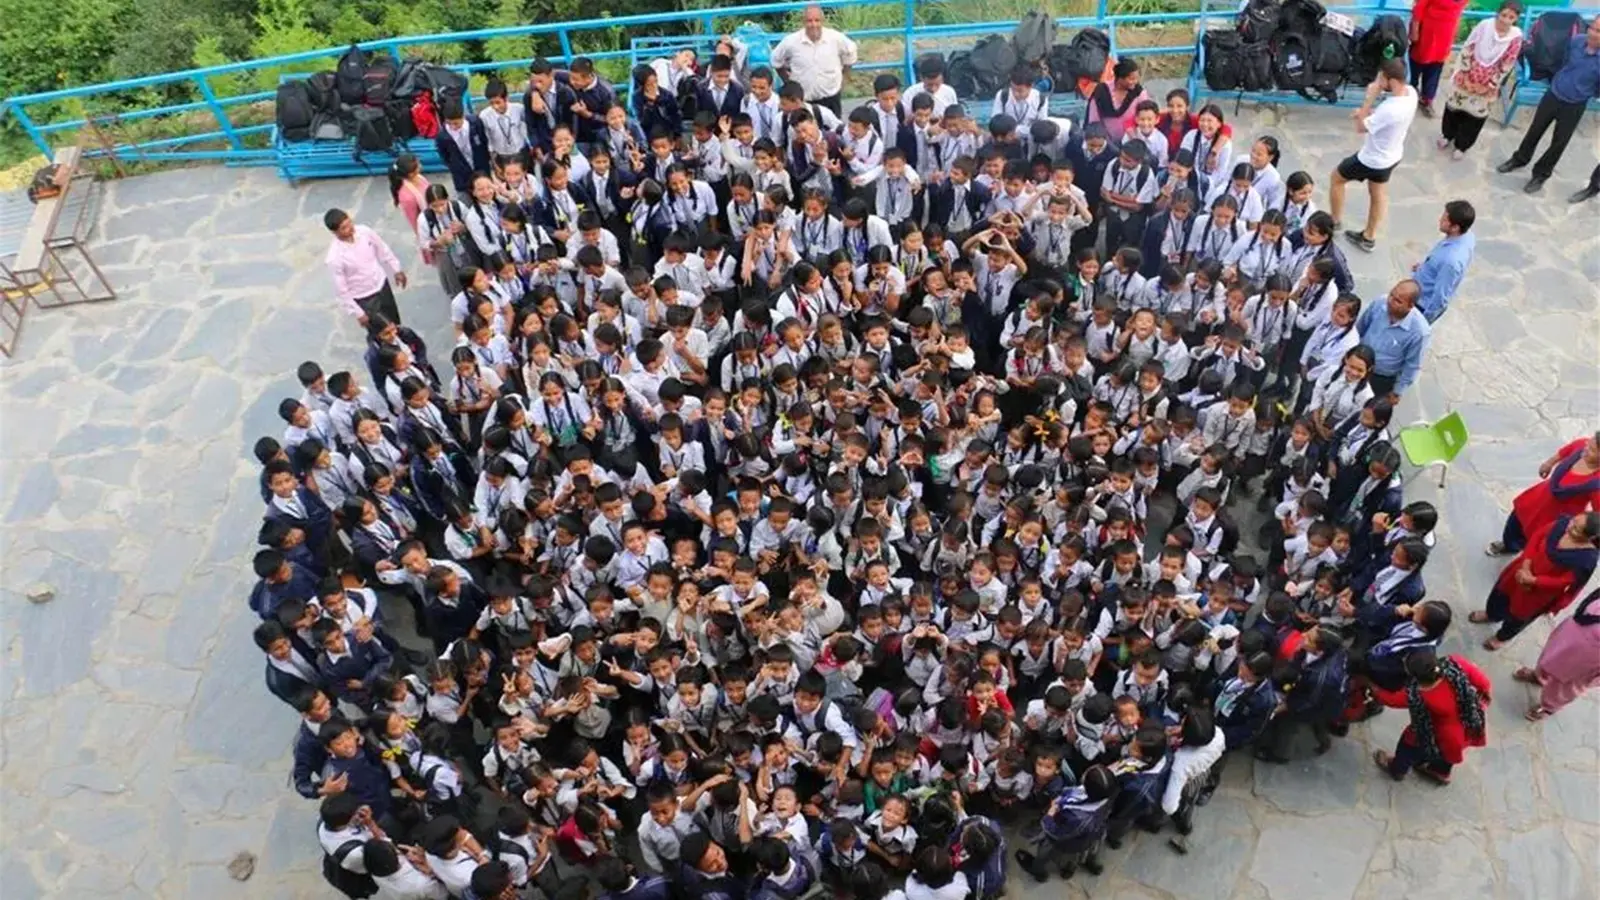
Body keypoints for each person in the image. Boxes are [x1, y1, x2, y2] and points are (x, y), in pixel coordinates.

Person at [1497, 16, 1600, 194]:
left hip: (1575, 104)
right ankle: (1520, 158)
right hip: (1554, 93)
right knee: (1535, 129)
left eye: (1598, 31)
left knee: (1559, 142)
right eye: (1592, 27)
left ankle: (1541, 174)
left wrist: (1584, 92)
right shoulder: (1576, 41)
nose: (1592, 33)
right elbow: (1563, 61)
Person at [1472, 512, 1600, 651]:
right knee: (1500, 594)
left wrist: (1533, 580)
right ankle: (1491, 614)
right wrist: (1526, 565)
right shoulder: (1562, 523)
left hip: (1538, 593)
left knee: (1518, 617)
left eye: (1576, 529)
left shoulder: (1587, 559)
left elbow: (1565, 581)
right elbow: (1537, 537)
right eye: (1573, 522)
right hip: (1521, 569)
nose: (1570, 528)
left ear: (1590, 537)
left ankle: (1501, 638)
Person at [1329, 59, 1418, 252]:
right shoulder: (1411, 94)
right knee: (1378, 193)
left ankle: (1334, 222)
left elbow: (1361, 128)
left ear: (1391, 80)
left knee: (1336, 178)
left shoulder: (1390, 108)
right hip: (1392, 156)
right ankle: (1369, 237)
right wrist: (1367, 114)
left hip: (1371, 159)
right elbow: (1381, 119)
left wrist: (1368, 100)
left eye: (1381, 78)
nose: (1378, 81)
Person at [1370, 649, 1490, 785]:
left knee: (1408, 747)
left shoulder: (1417, 696)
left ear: (1415, 677)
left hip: (1437, 733)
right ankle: (1440, 773)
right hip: (1467, 724)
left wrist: (1371, 687)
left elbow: (1390, 699)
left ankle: (1397, 769)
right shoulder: (1456, 663)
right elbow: (1484, 684)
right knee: (1448, 755)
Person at [1486, 433, 1600, 556]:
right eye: (1589, 444)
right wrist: (1549, 463)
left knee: (1536, 538)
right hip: (1538, 497)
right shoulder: (1581, 445)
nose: (1586, 448)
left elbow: (1597, 518)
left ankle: (1523, 553)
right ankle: (1509, 545)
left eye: (1592, 450)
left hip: (1555, 515)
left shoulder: (1597, 484)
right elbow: (1562, 453)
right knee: (1515, 521)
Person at [1437, 1, 1523, 160]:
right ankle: (1448, 135)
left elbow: (1507, 63)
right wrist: (1466, 76)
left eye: (1511, 17)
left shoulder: (1515, 37)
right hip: (1467, 75)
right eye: (1504, 15)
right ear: (1498, 13)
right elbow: (1468, 47)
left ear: (1515, 19)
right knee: (1454, 107)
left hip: (1488, 84)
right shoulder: (1485, 26)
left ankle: (1462, 145)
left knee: (1475, 117)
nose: (1505, 20)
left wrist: (1488, 85)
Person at [1519, 588, 1600, 720]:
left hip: (1588, 662)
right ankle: (1539, 677)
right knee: (1549, 656)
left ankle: (1548, 707)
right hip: (1572, 633)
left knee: (1564, 686)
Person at [771, 4, 859, 115]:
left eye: (817, 20)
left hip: (831, 98)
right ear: (803, 22)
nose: (813, 25)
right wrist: (788, 82)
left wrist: (843, 79)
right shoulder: (791, 41)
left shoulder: (836, 38)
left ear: (822, 21)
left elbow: (851, 53)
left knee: (833, 131)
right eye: (809, 21)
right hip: (803, 101)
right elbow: (776, 60)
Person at [325, 208, 408, 327]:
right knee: (382, 330)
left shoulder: (364, 232)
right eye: (344, 228)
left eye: (350, 223)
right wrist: (358, 313)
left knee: (394, 322)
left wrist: (396, 269)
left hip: (381, 284)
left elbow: (383, 249)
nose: (351, 228)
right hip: (364, 297)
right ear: (335, 232)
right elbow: (341, 290)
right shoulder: (335, 258)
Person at [1354, 279, 1429, 400]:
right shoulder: (1380, 303)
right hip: (1358, 361)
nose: (1390, 301)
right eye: (1391, 295)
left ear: (1410, 306)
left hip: (1380, 378)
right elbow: (1360, 326)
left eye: (1398, 301)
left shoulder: (1419, 332)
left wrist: (1397, 391)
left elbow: (1412, 365)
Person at [1410, 200, 1475, 323]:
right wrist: (1425, 268)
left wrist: (1422, 321)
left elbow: (1440, 298)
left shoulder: (1451, 261)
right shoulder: (1467, 235)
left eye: (1445, 219)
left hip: (1420, 304)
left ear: (1455, 227)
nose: (1440, 220)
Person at [1408, 0, 1471, 115]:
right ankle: (1410, 90)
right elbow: (1419, 8)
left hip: (1445, 36)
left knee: (1436, 67)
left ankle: (1427, 99)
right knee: (1416, 62)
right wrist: (1415, 30)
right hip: (1426, 33)